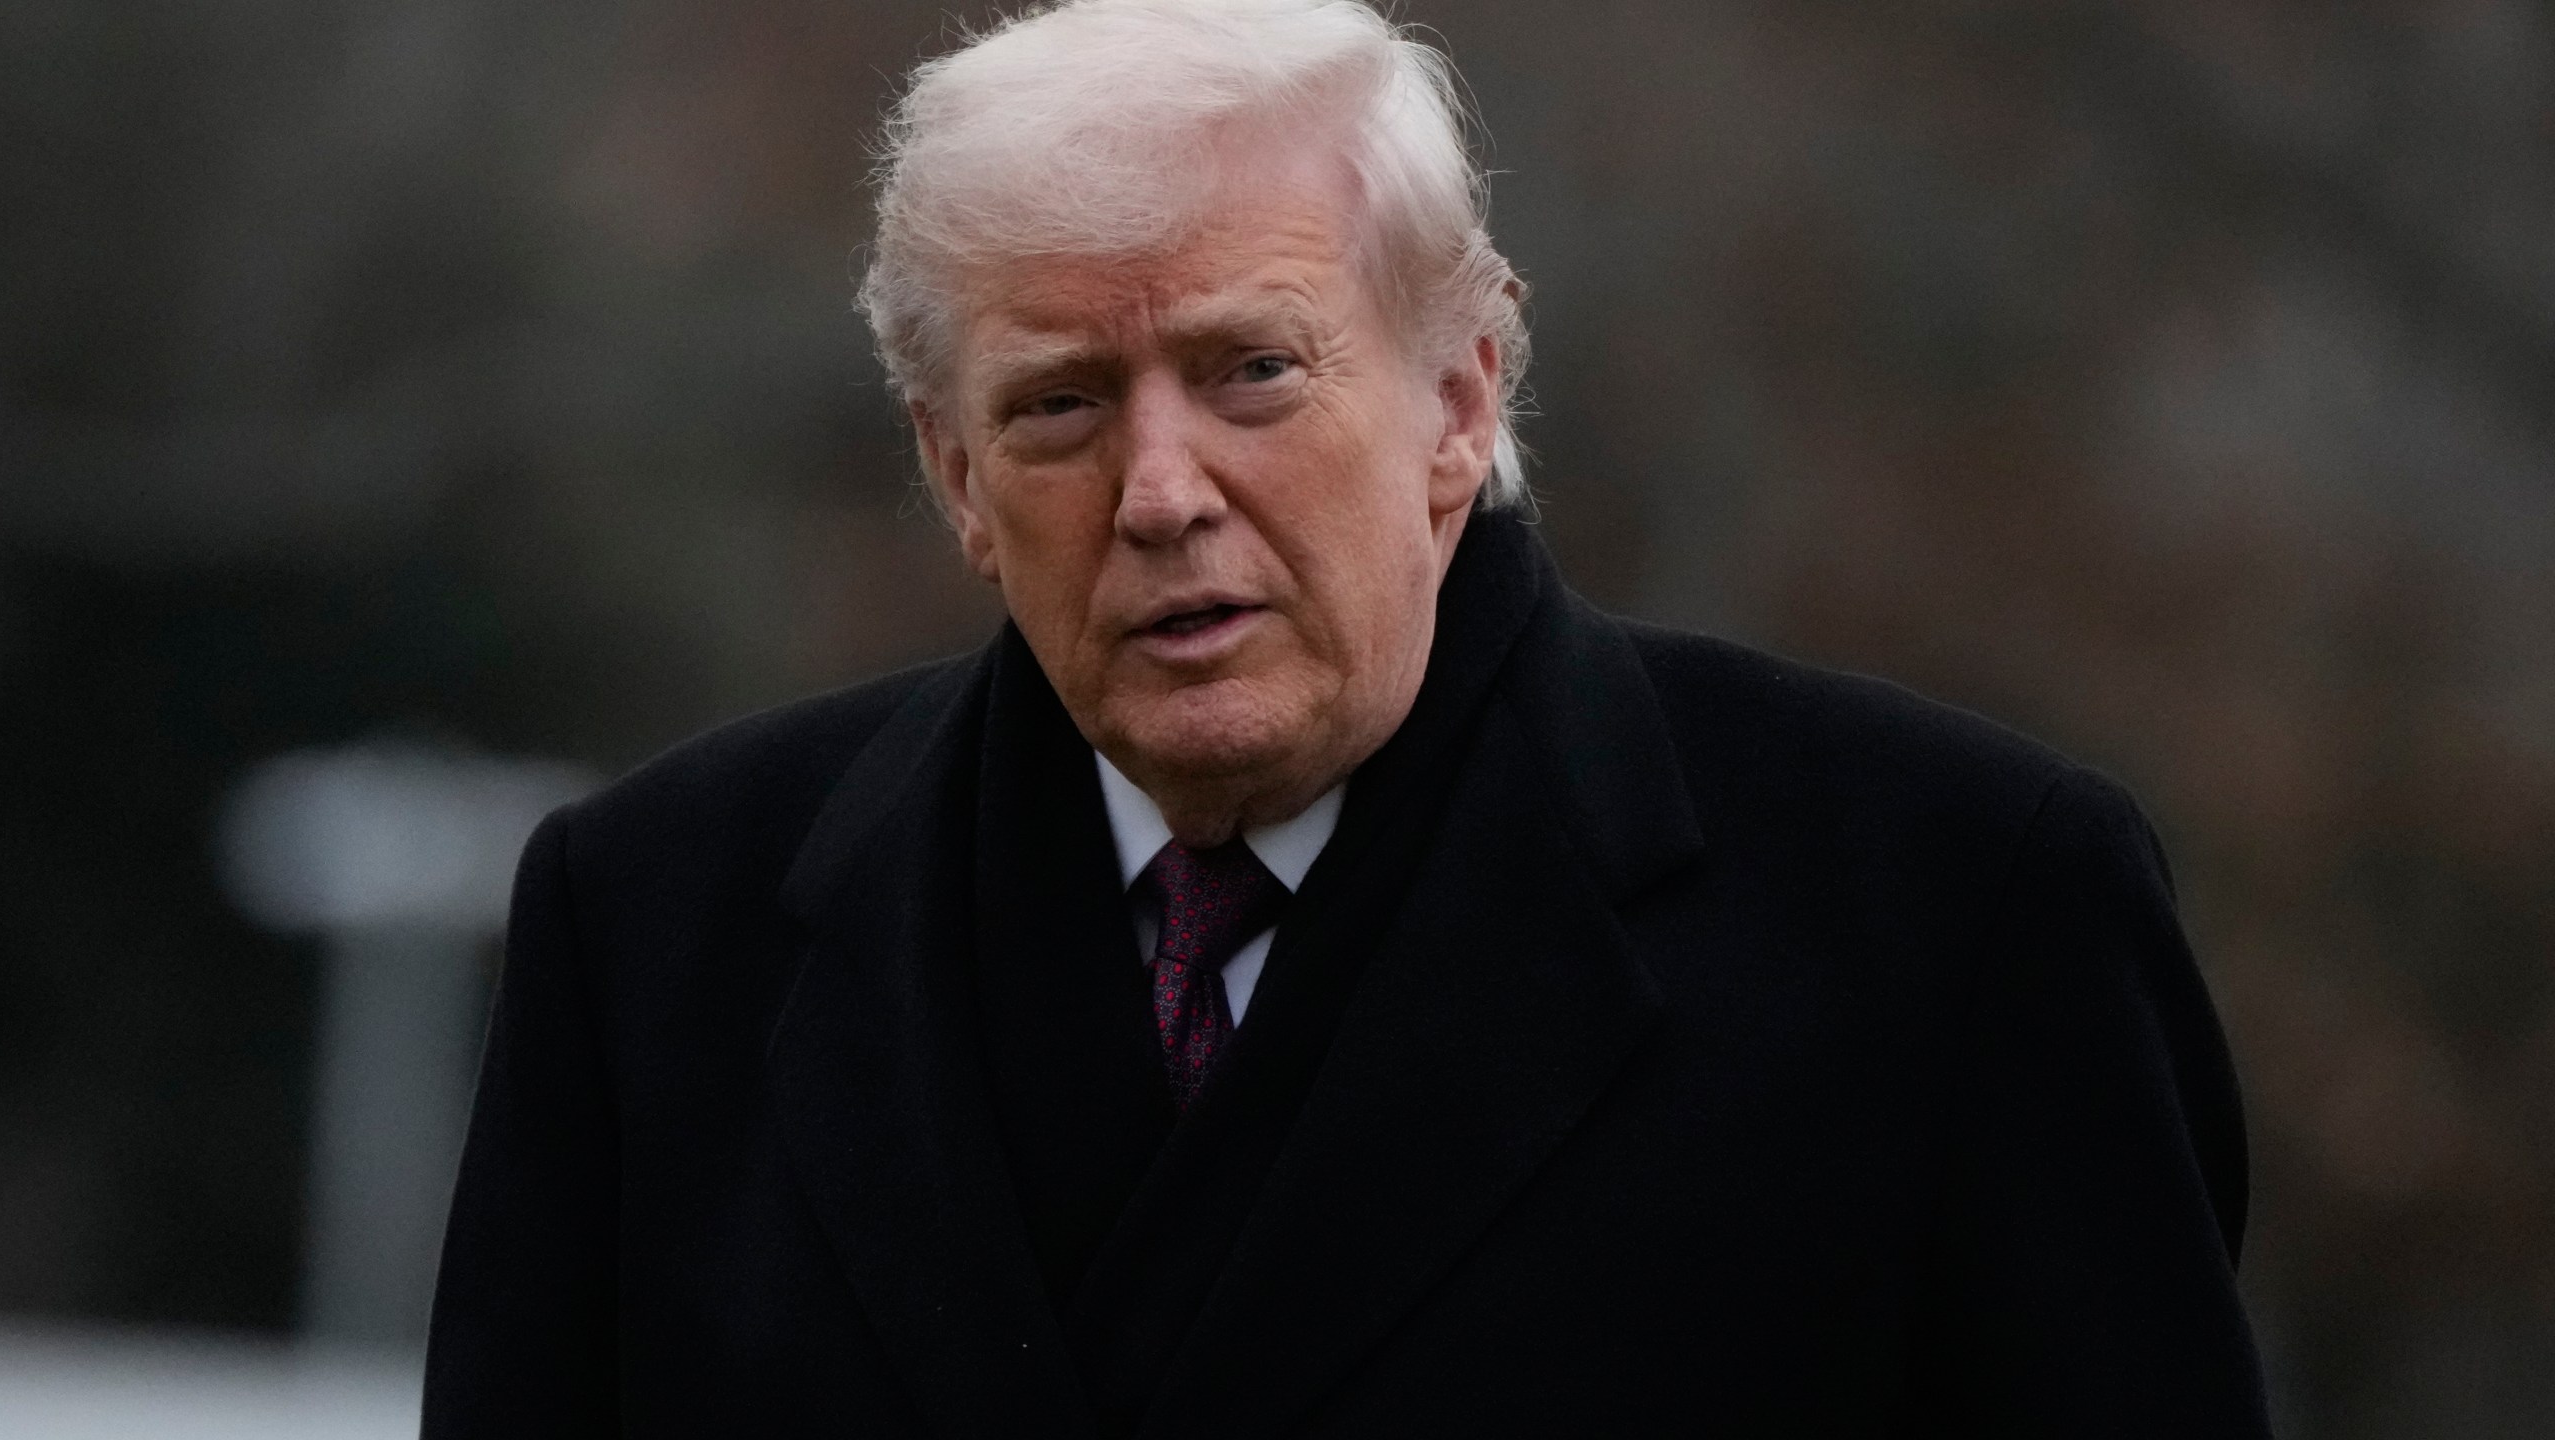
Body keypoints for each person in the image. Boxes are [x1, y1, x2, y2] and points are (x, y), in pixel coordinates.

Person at [421, 1, 2272, 1434]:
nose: (1161, 490)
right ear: (954, 473)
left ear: (1461, 396)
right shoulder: (659, 934)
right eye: (1061, 404)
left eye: (1253, 371)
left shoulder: (1955, 920)